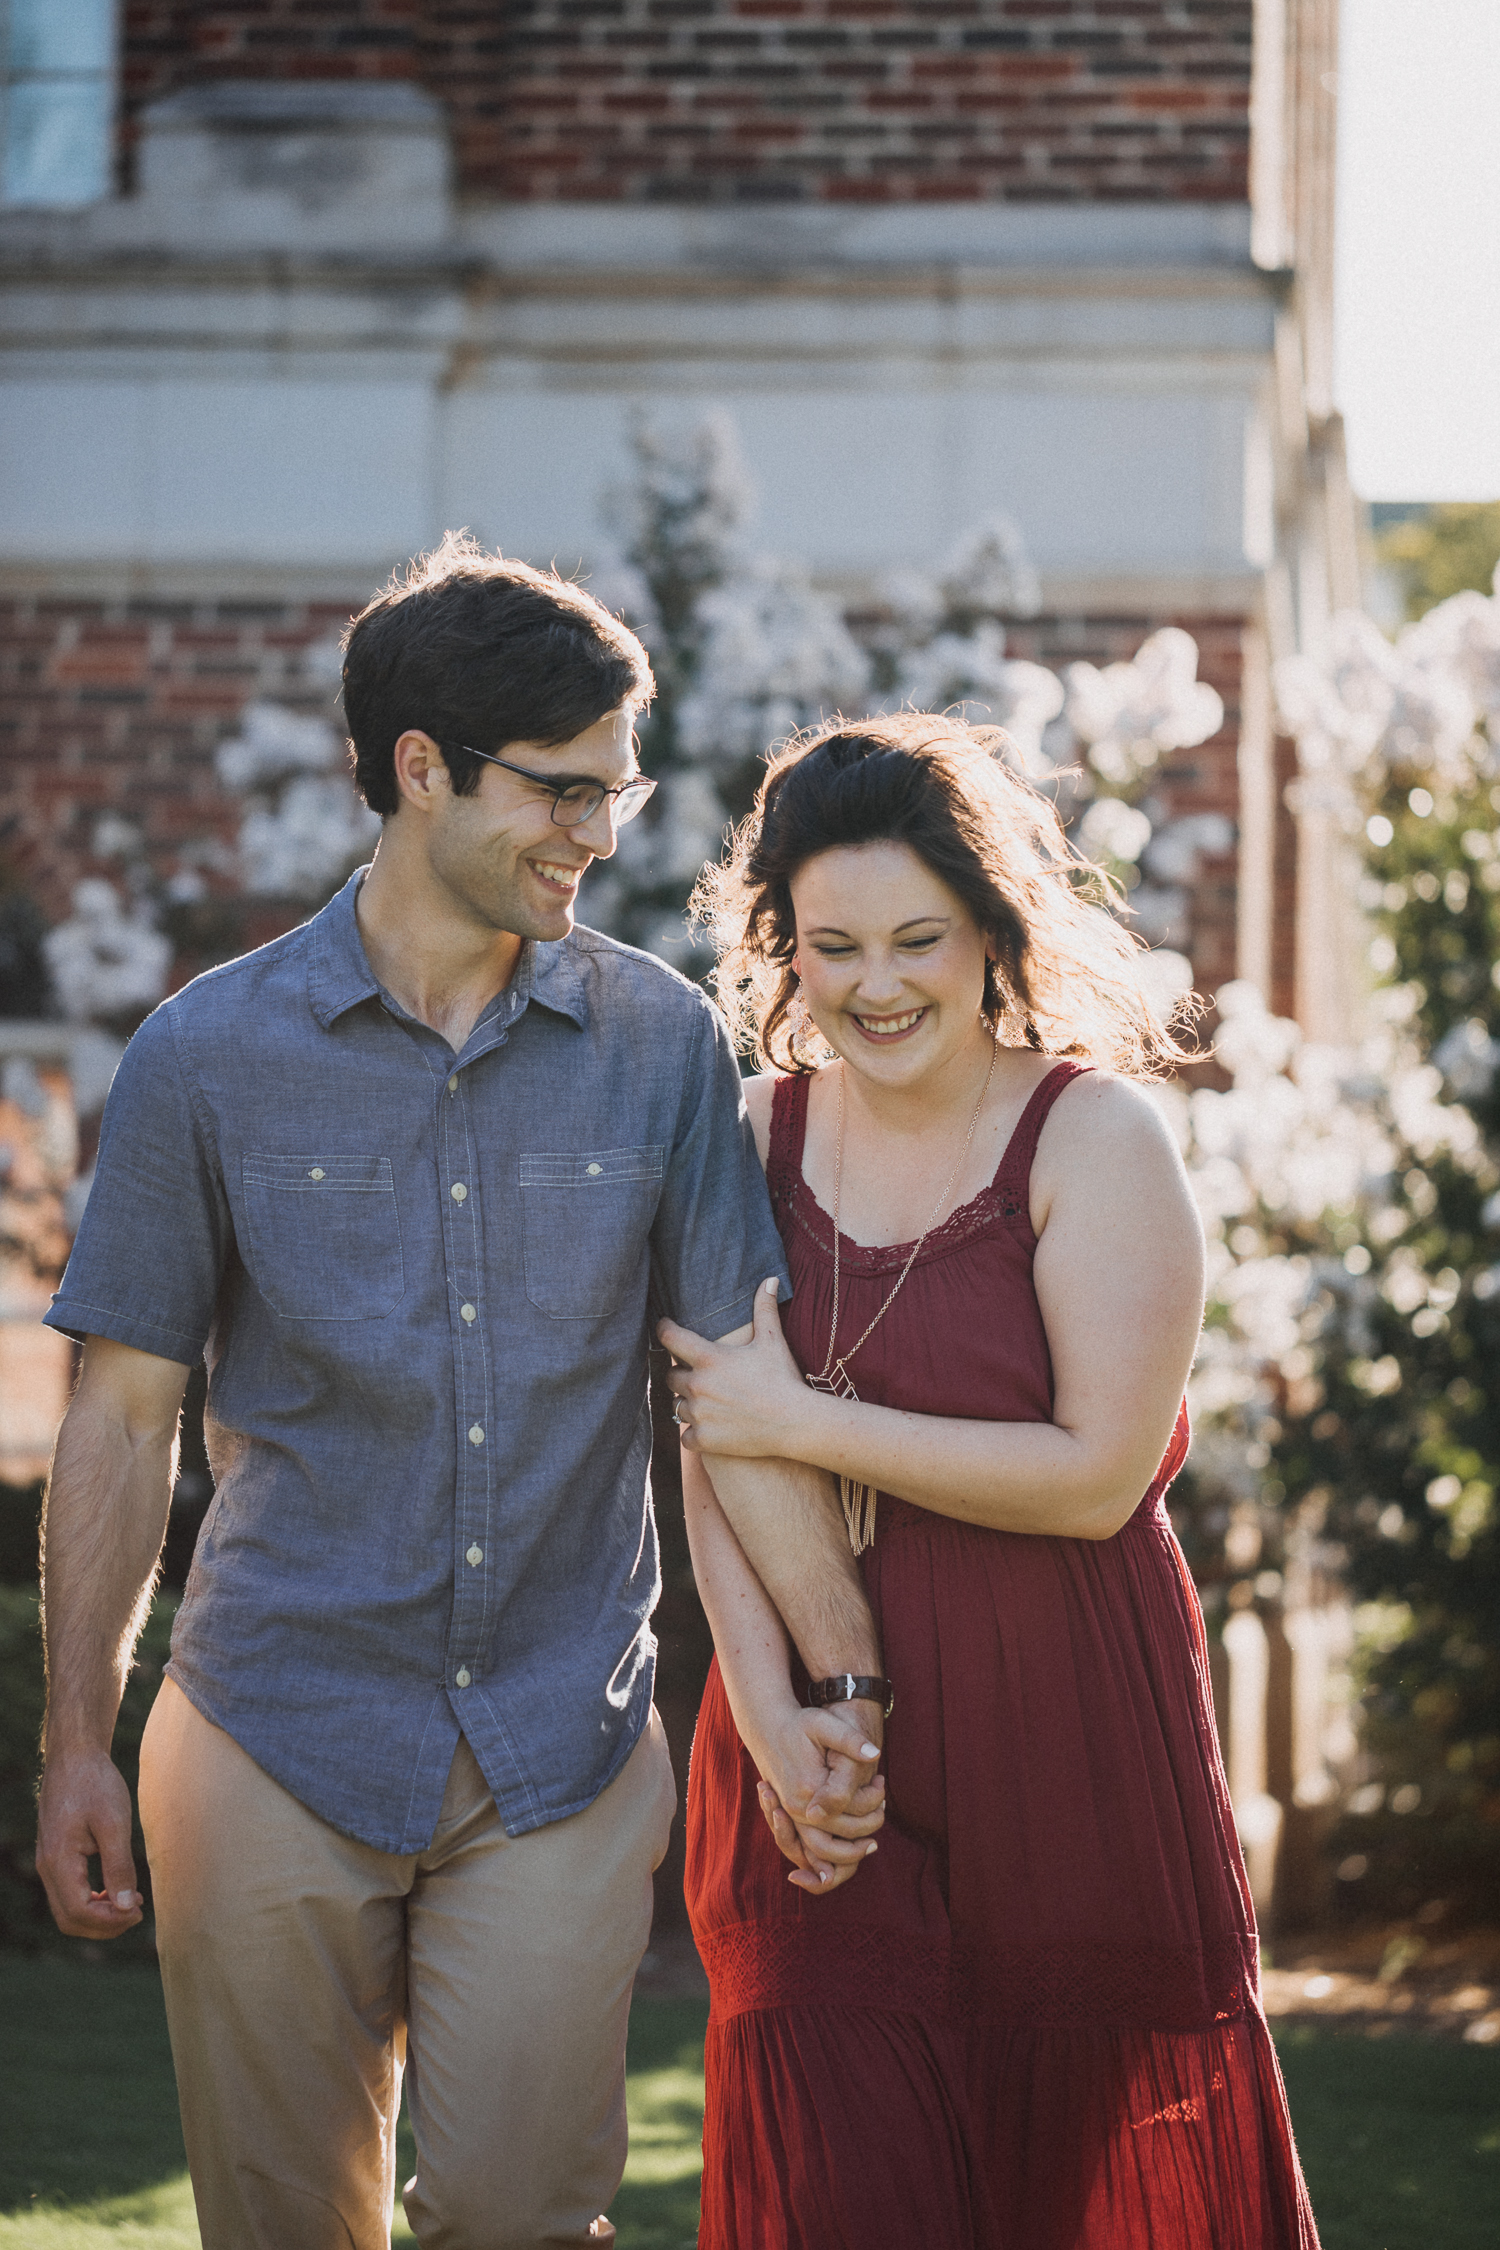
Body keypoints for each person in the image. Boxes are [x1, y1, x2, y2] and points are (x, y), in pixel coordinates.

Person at [33, 535, 887, 2250]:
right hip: (272, 1719)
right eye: (562, 791)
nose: (598, 832)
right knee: (284, 2227)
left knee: (515, 2210)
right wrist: (75, 1736)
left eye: (619, 794)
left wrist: (838, 1681)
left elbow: (744, 1392)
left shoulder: (657, 1046)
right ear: (418, 770)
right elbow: (121, 1420)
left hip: (560, 1742)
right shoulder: (204, 1057)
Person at [660, 715, 1322, 2250]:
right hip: (811, 1746)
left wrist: (804, 1420)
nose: (877, 984)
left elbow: (1097, 1477)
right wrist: (768, 1712)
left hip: (1067, 1735)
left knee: (1066, 2204)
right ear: (784, 951)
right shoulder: (751, 1138)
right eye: (834, 946)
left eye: (918, 939)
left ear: (990, 930)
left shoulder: (1093, 1139)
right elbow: (715, 1442)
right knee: (845, 2186)